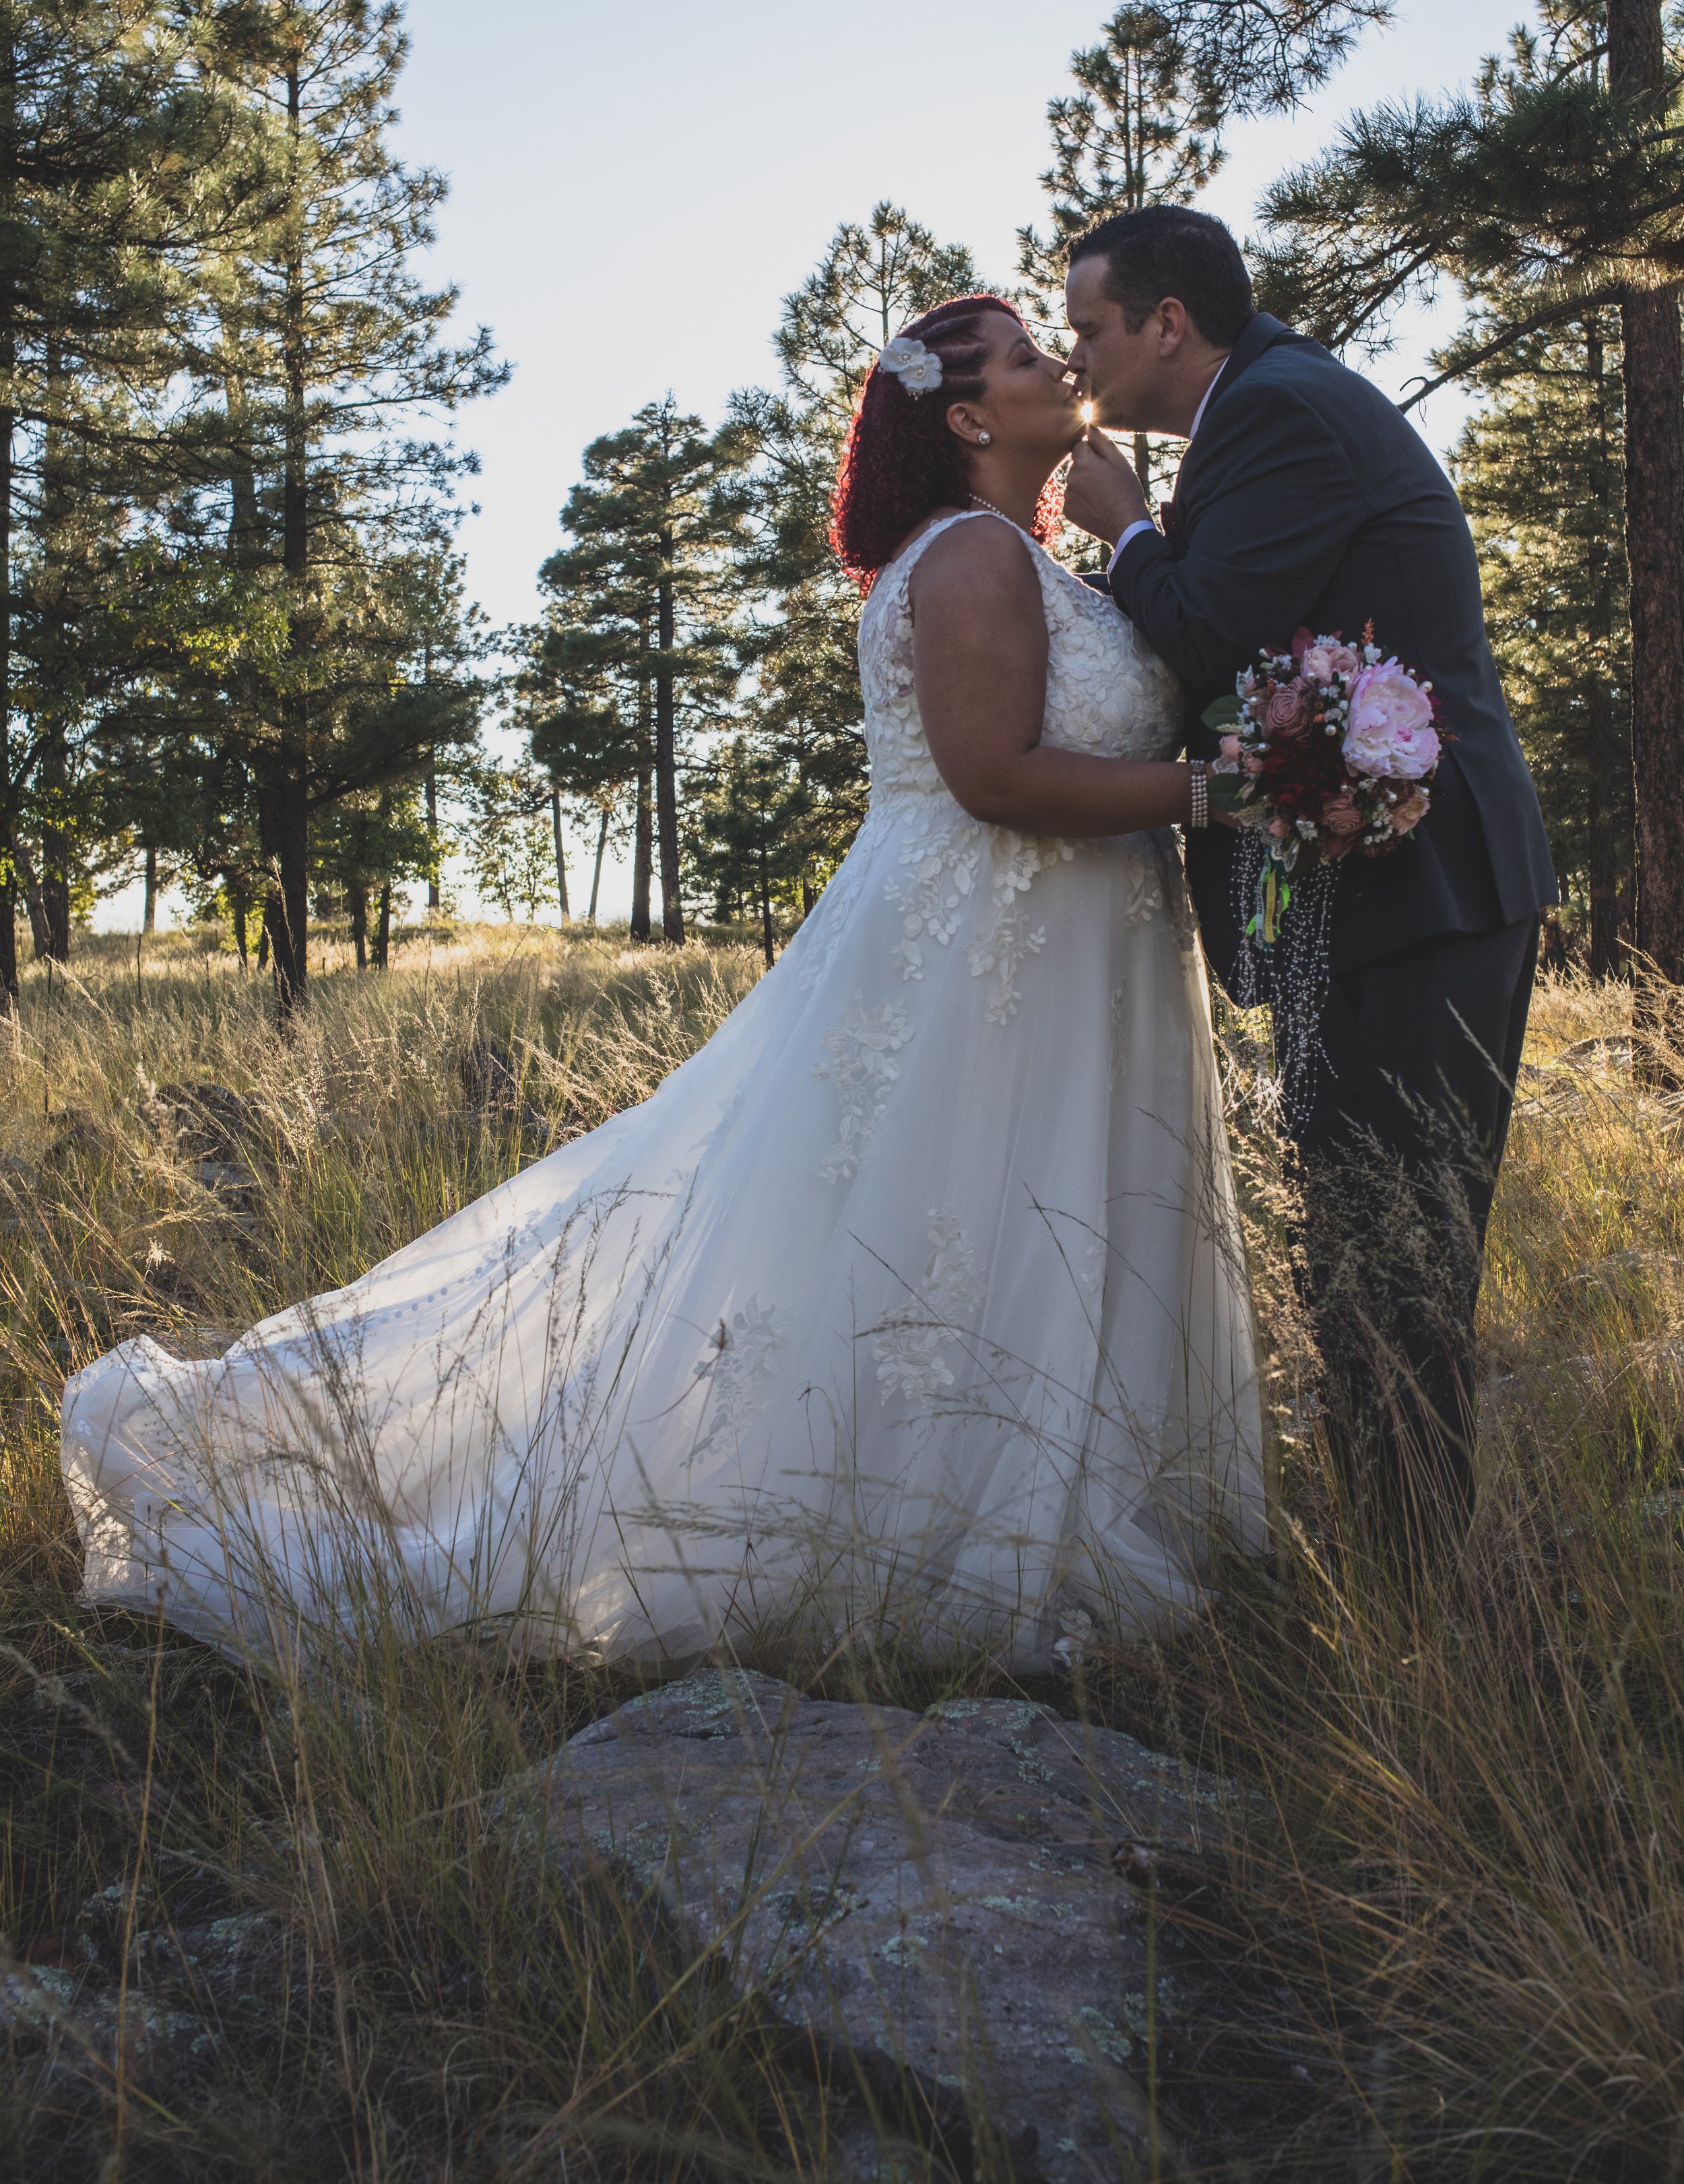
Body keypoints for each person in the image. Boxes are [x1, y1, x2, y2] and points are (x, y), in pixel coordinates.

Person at [61, 295, 1263, 1671]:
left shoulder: (1024, 557)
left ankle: (1017, 1509)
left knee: (981, 1217)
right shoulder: (978, 552)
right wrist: (1223, 791)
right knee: (951, 1209)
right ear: (971, 418)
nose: (1062, 363)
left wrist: (1135, 545)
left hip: (1053, 954)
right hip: (980, 950)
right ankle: (929, 1537)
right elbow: (991, 777)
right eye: (1027, 355)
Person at [1061, 208, 1555, 1574]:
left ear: (1168, 324)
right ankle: (1406, 1579)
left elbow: (1207, 628)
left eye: (1090, 327)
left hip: (1415, 898)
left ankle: (1411, 1616)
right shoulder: (1265, 408)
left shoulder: (1278, 412)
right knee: (1370, 1259)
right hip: (1377, 898)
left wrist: (1121, 532)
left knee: (1386, 1269)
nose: (1077, 356)